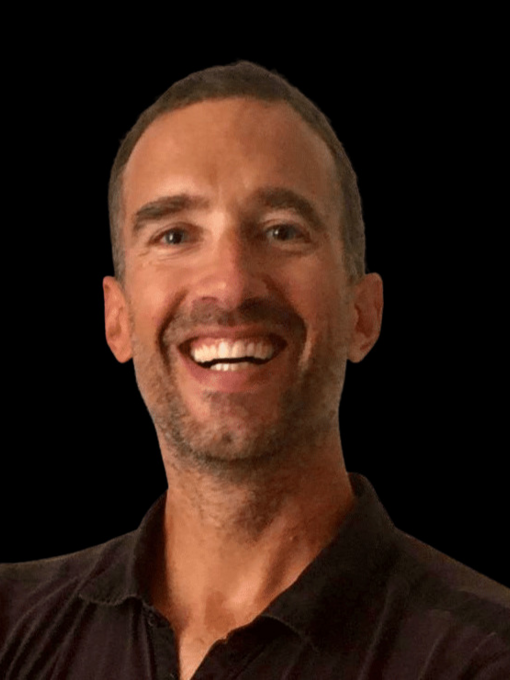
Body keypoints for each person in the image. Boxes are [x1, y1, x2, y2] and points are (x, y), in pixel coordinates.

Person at [1, 61, 508, 680]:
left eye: (281, 231)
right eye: (174, 236)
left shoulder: (485, 656)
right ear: (117, 318)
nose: (230, 285)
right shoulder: (10, 623)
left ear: (363, 314)